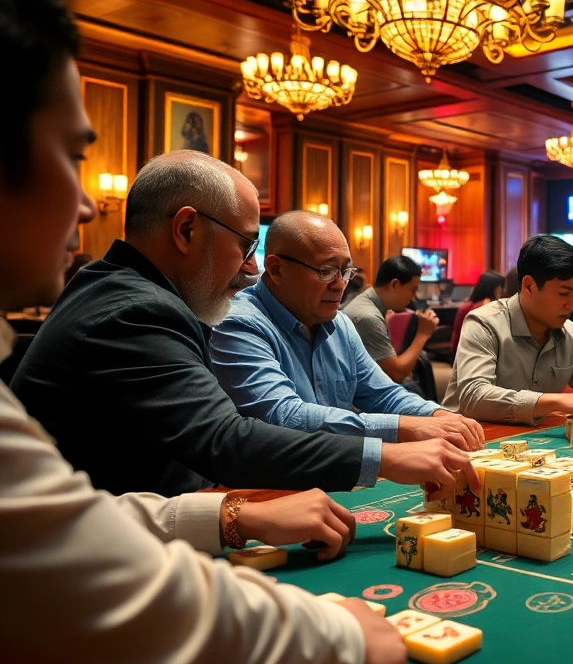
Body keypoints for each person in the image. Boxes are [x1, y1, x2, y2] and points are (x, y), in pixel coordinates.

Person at [0, 0, 406, 664]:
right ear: (187, 231)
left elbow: (72, 520)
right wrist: (338, 636)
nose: (88, 204)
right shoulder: (128, 309)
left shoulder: (134, 297)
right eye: (68, 153)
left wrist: (226, 520)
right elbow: (219, 448)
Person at [10, 151, 475, 499]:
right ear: (187, 230)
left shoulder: (126, 290)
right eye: (246, 245)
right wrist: (389, 454)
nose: (250, 270)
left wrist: (428, 420)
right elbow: (225, 440)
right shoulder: (136, 310)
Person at [209, 211, 484, 452]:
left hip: (333, 470)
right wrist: (404, 427)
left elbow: (384, 394)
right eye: (327, 271)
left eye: (346, 271)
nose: (340, 285)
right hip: (265, 490)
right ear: (276, 269)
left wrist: (437, 415)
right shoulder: (238, 323)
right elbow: (283, 416)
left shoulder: (339, 324)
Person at [443, 234, 573, 426]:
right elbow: (474, 397)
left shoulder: (569, 332)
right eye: (563, 294)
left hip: (536, 443)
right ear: (528, 286)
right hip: (475, 443)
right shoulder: (485, 323)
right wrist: (555, 401)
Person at [344, 254, 438, 384]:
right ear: (394, 284)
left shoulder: (368, 302)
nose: (412, 298)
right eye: (412, 290)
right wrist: (423, 333)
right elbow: (395, 375)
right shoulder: (368, 316)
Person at [449, 270, 505, 362]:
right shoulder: (487, 308)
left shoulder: (465, 307)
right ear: (497, 290)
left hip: (460, 357)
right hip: (477, 358)